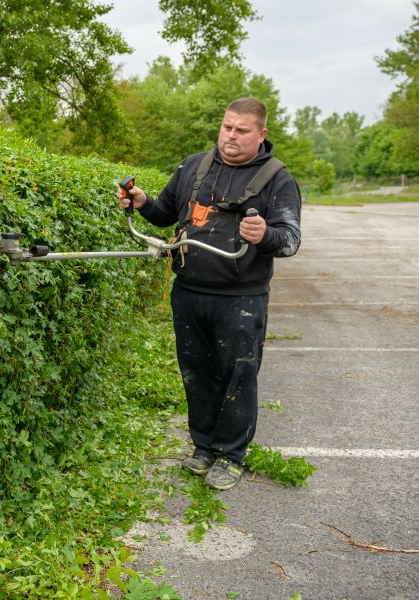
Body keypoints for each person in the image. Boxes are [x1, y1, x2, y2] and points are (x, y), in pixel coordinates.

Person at [118, 97, 301, 490]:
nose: (231, 136)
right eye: (227, 127)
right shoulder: (194, 165)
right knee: (196, 373)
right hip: (188, 291)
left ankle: (231, 455)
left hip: (241, 298)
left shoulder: (277, 178)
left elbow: (289, 240)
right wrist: (143, 202)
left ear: (261, 134)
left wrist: (264, 235)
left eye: (241, 130)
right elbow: (167, 211)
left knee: (237, 375)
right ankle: (203, 447)